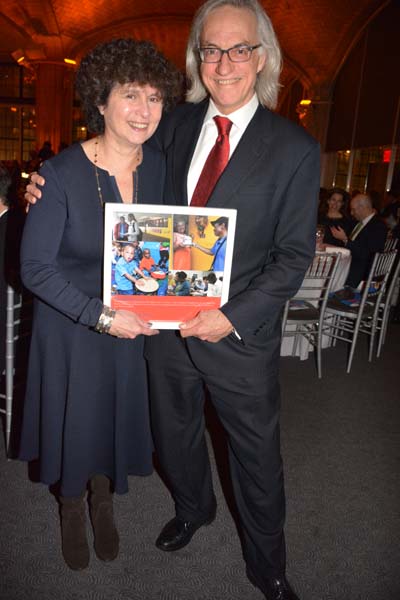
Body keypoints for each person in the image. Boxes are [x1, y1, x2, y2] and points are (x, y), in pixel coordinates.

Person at [26, 2, 319, 597]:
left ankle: (270, 566)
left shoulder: (294, 147)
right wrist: (36, 182)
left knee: (257, 459)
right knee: (175, 435)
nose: (225, 62)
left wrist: (231, 315)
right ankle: (193, 509)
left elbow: (293, 257)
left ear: (261, 57)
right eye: (212, 49)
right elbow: (112, 161)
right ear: (198, 58)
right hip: (162, 332)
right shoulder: (177, 125)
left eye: (240, 49)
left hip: (238, 335)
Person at [19, 38, 181, 571]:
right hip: (73, 327)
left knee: (112, 419)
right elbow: (34, 269)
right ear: (102, 101)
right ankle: (71, 506)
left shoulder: (160, 167)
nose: (144, 111)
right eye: (131, 95)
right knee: (75, 421)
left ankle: (102, 501)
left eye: (155, 98)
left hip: (135, 325)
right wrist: (103, 317)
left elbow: (172, 244)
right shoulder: (60, 175)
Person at [330, 192, 388, 288]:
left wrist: (345, 239)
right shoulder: (359, 223)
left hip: (361, 271)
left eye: (353, 209)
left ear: (362, 208)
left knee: (330, 273)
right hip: (351, 264)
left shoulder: (378, 226)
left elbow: (368, 254)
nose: (352, 213)